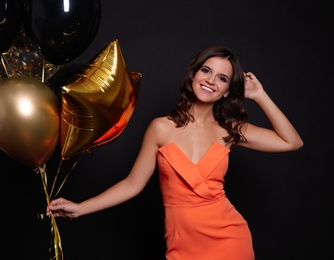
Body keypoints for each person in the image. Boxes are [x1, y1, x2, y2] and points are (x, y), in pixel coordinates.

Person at [46, 46, 303, 260]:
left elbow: (291, 142)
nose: (211, 81)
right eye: (206, 70)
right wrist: (81, 208)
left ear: (227, 91)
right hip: (182, 243)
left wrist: (259, 95)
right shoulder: (160, 128)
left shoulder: (230, 130)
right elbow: (132, 184)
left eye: (222, 78)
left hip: (229, 240)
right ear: (193, 74)